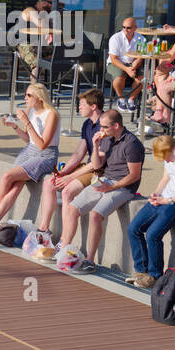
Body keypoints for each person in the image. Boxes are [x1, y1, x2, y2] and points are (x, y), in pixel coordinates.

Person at [59, 110, 144, 271]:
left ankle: (90, 260)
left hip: (124, 186)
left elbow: (134, 176)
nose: (101, 129)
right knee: (72, 208)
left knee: (95, 215)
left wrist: (111, 188)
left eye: (104, 127)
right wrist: (96, 145)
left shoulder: (132, 144)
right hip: (106, 179)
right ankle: (64, 249)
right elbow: (97, 165)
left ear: (116, 125)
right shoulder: (106, 138)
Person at [0, 82, 59, 239]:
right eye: (25, 95)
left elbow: (42, 145)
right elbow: (30, 140)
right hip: (29, 152)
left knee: (7, 176)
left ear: (39, 97)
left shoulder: (51, 114)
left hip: (45, 156)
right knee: (15, 187)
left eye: (29, 95)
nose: (25, 98)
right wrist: (15, 126)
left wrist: (26, 121)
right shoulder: (33, 112)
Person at [126, 134, 175, 288]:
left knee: (153, 234)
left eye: (167, 158)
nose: (167, 161)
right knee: (133, 229)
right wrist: (156, 194)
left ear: (174, 149)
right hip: (164, 198)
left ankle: (155, 276)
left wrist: (167, 200)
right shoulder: (171, 153)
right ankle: (141, 271)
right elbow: (165, 178)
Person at [34, 88, 105, 236]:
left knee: (67, 191)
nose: (79, 107)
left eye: (82, 104)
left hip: (101, 170)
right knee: (49, 182)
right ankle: (43, 229)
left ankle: (64, 238)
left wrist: (69, 177)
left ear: (93, 106)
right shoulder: (87, 124)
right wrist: (63, 171)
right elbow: (79, 153)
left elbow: (97, 163)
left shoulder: (104, 125)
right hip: (88, 166)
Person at [107, 18, 144, 109]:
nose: (125, 30)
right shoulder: (115, 38)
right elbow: (114, 59)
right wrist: (127, 69)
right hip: (116, 63)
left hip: (132, 63)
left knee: (143, 78)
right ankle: (121, 98)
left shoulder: (141, 38)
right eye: (123, 27)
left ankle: (131, 99)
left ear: (135, 28)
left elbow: (141, 56)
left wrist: (134, 66)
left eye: (128, 28)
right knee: (120, 76)